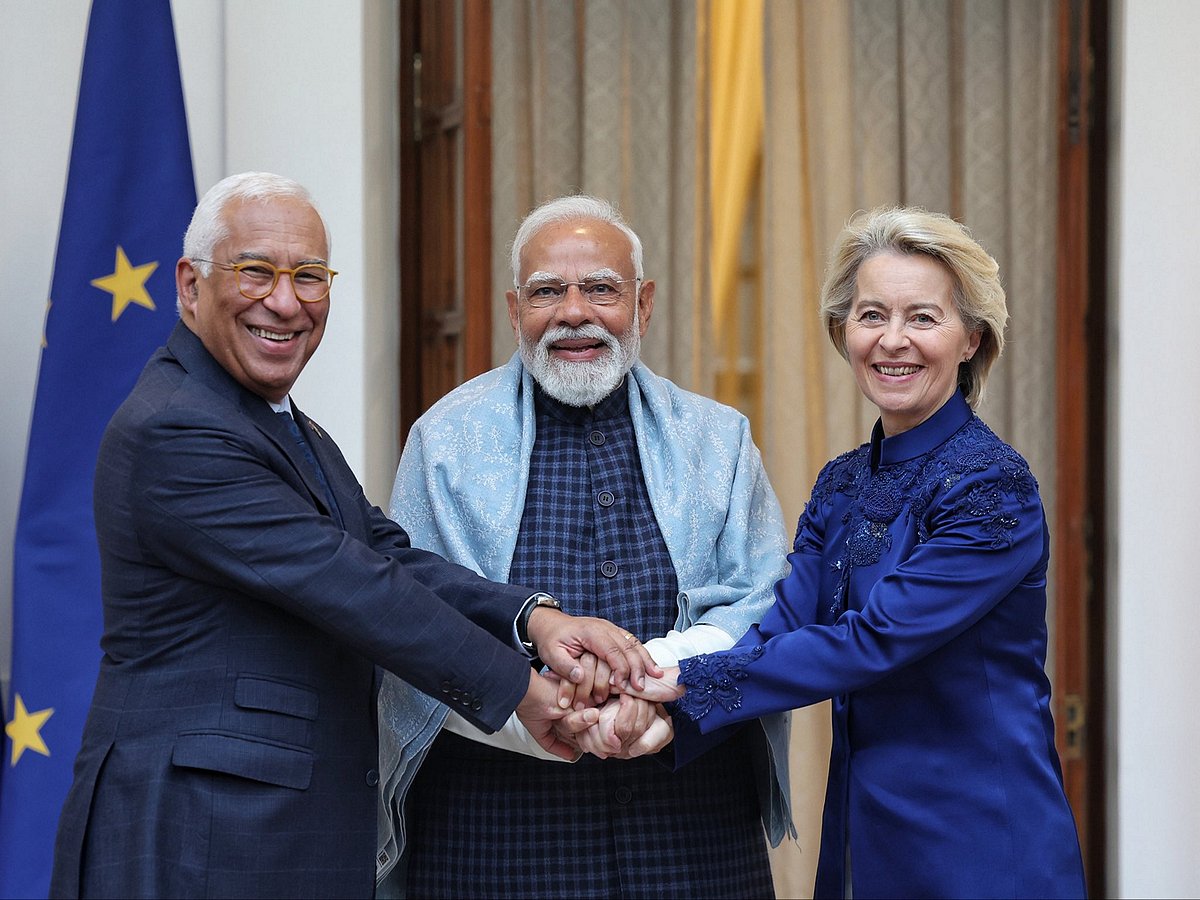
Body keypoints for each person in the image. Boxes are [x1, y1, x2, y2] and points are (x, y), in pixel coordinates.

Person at [49, 173, 657, 899]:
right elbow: (355, 587)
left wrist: (535, 620)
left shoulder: (275, 421)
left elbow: (385, 555)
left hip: (266, 834)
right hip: (195, 839)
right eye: (255, 271)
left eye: (309, 276)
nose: (285, 302)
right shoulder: (179, 428)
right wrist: (524, 691)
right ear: (190, 285)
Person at [632, 206, 1087, 899]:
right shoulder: (842, 483)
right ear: (843, 332)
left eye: (923, 318)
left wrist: (676, 688)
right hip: (862, 827)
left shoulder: (992, 486)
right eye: (872, 315)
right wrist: (656, 689)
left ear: (971, 338)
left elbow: (871, 641)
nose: (892, 341)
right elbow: (782, 627)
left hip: (981, 840)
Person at [377, 195, 794, 898]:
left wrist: (662, 691)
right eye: (547, 292)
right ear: (515, 311)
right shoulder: (444, 441)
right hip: (495, 837)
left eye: (601, 289)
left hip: (692, 834)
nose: (574, 313)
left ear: (643, 304)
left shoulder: (716, 439)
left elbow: (764, 603)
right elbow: (415, 623)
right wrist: (540, 709)